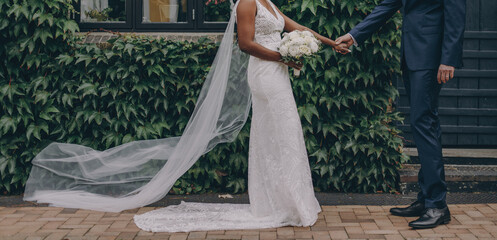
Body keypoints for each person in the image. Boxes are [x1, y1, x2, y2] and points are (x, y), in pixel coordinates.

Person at [24, 0, 348, 232]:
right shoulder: (246, 4)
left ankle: (290, 200)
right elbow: (246, 44)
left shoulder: (270, 4)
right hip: (264, 74)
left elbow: (298, 28)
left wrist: (328, 42)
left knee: (286, 134)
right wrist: (283, 55)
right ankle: (280, 204)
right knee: (278, 133)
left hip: (278, 73)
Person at [335, 0, 466, 229]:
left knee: (423, 122)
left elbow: (456, 16)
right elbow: (388, 5)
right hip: (413, 54)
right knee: (423, 123)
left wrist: (448, 59)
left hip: (431, 56)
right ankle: (426, 200)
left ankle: (438, 205)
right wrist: (354, 35)